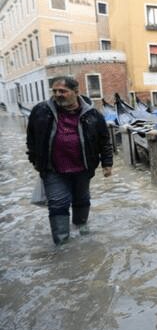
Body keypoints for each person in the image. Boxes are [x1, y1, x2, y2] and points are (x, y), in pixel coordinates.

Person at [26, 76, 113, 245]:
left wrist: (107, 163)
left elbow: (104, 140)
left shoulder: (93, 114)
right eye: (55, 91)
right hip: (53, 169)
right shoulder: (41, 111)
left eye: (63, 91)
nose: (58, 94)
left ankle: (81, 226)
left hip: (83, 167)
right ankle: (62, 243)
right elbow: (31, 137)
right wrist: (35, 160)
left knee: (81, 198)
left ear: (76, 92)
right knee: (58, 203)